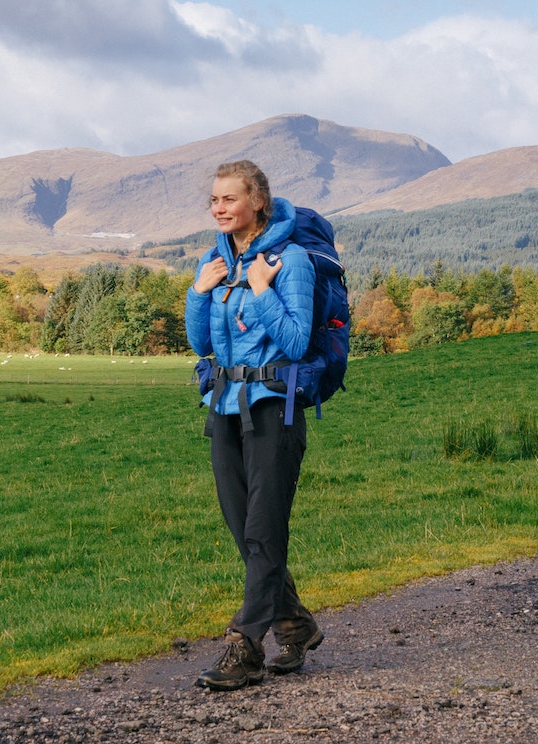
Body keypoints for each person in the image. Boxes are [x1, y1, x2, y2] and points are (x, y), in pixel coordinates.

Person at [185, 160, 324, 690]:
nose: (219, 208)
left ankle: (243, 646)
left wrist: (263, 290)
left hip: (274, 407)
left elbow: (293, 341)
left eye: (229, 199)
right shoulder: (212, 260)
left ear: (258, 201)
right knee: (244, 529)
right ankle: (296, 624)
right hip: (223, 405)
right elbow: (202, 344)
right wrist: (200, 292)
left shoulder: (290, 261)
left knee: (264, 530)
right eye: (214, 201)